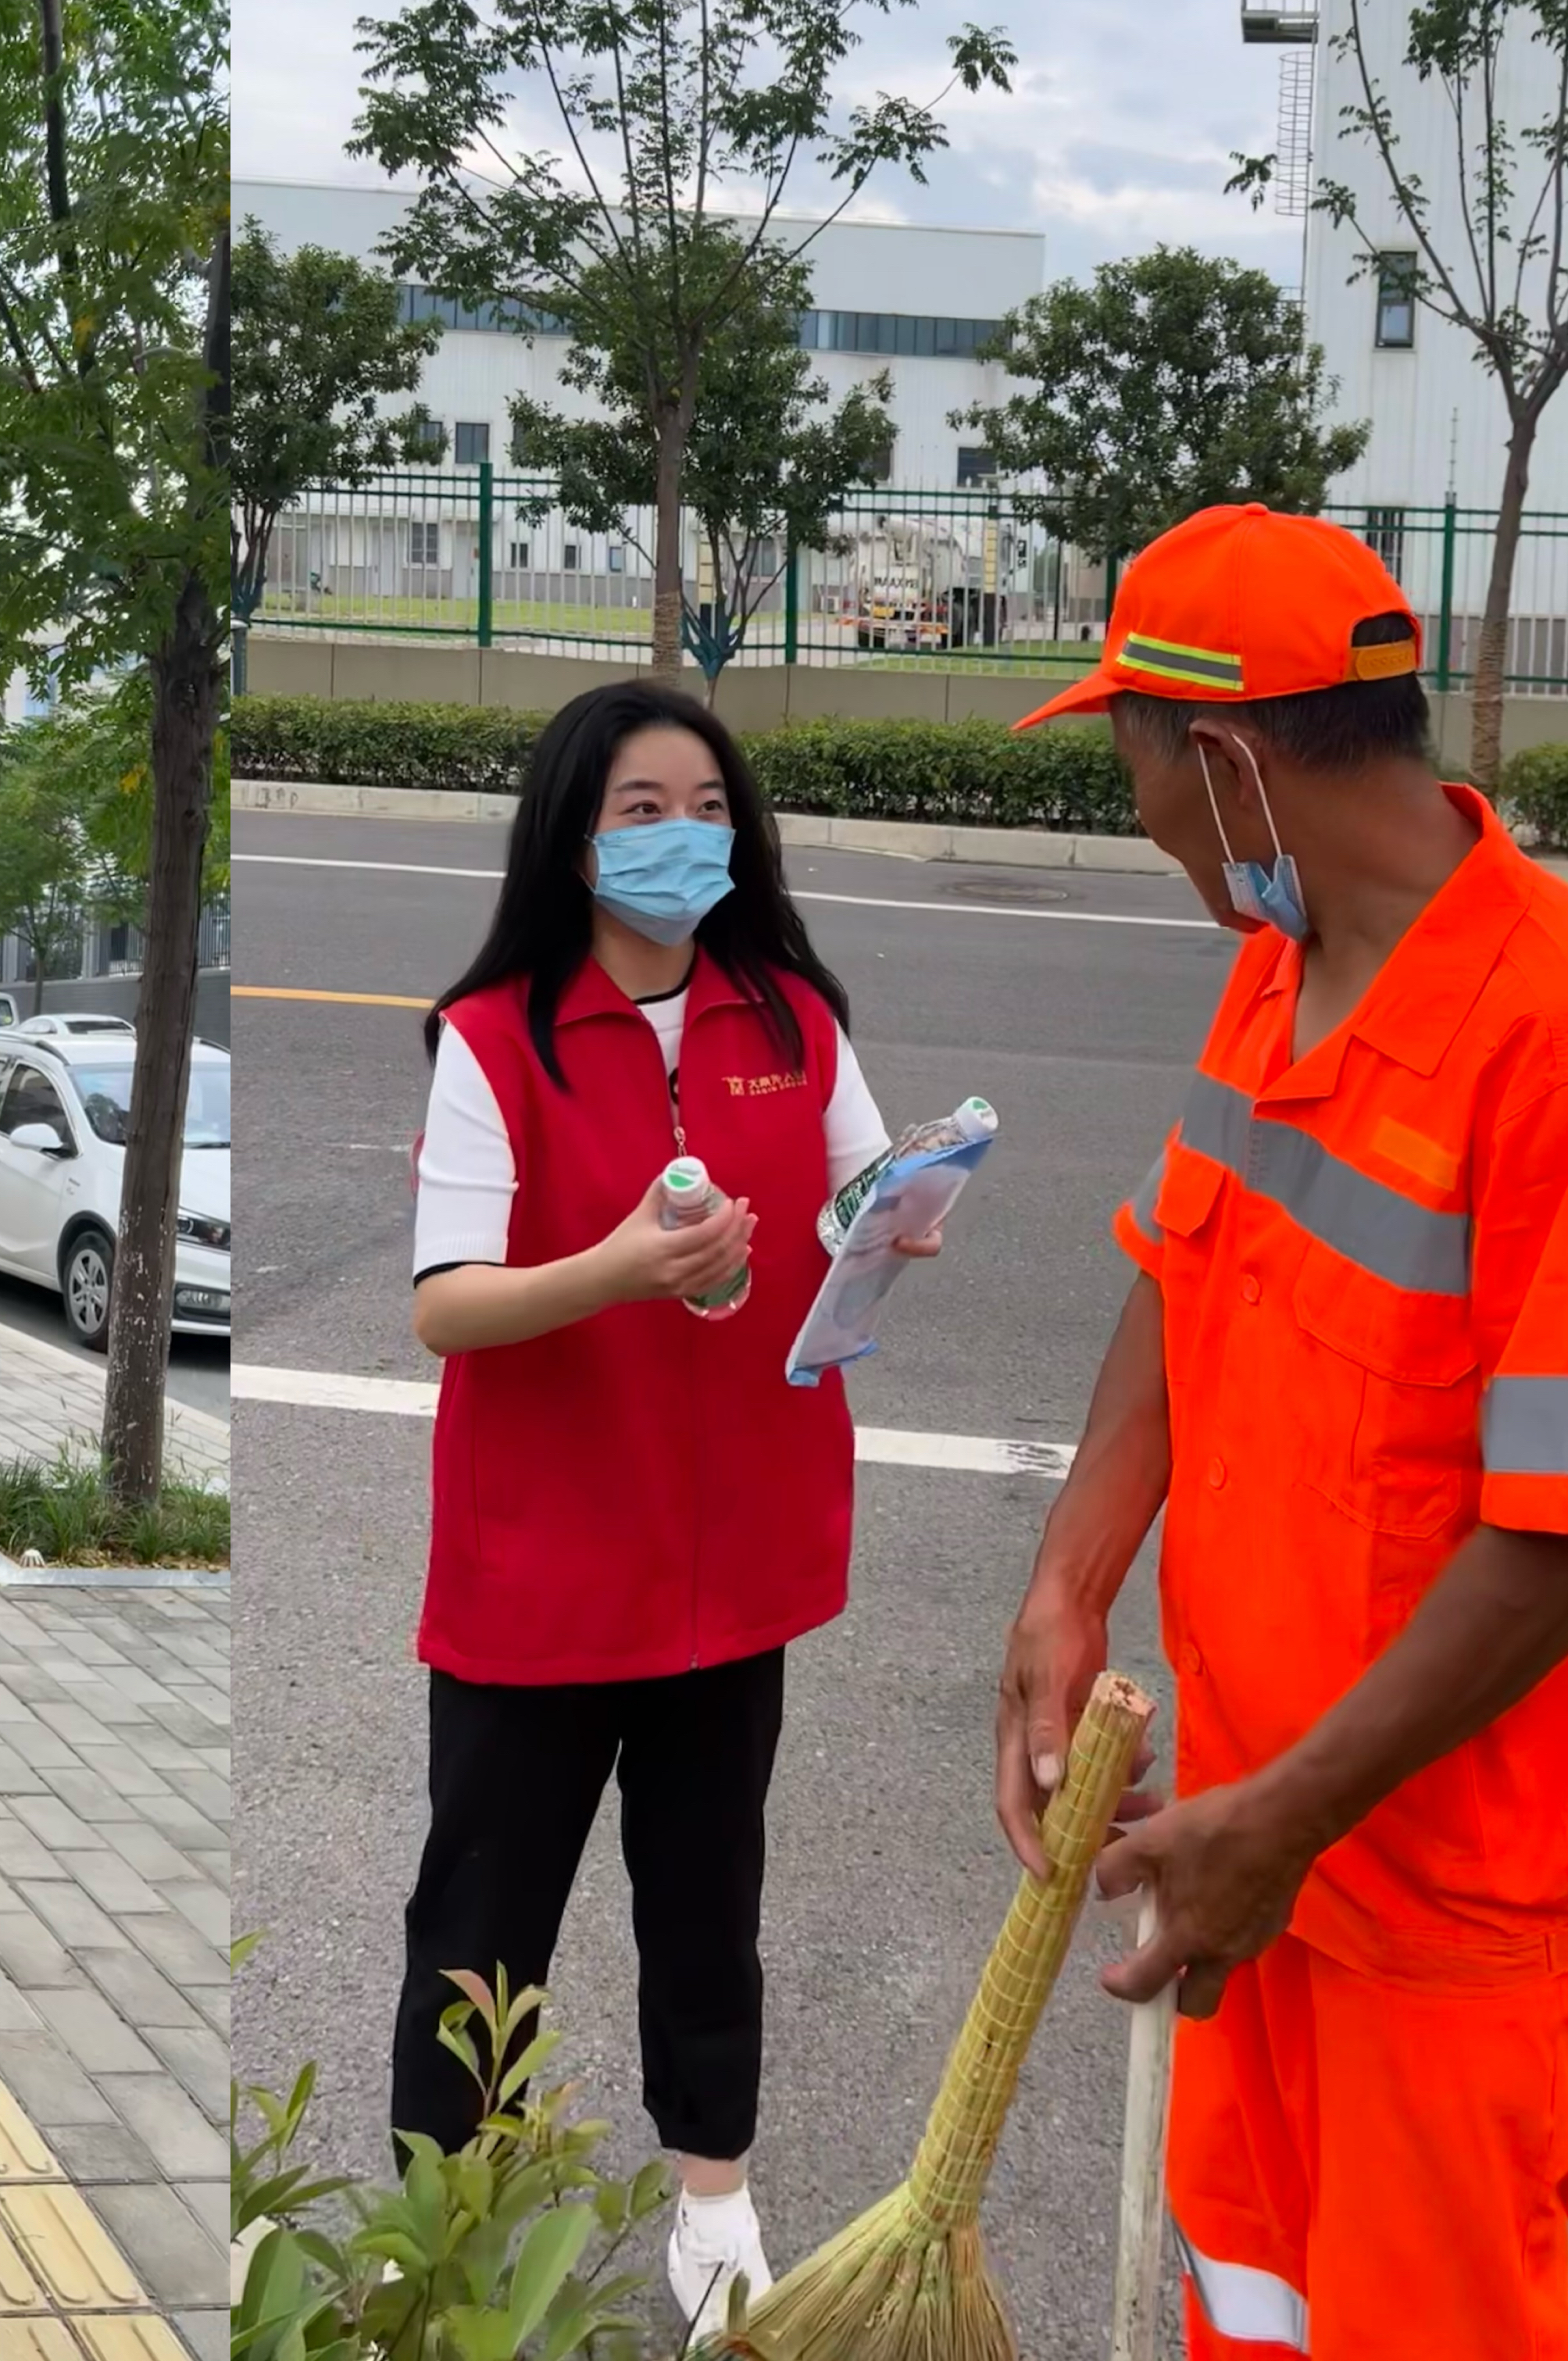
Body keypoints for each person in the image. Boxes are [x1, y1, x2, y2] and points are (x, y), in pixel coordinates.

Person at [994, 505, 1568, 2359]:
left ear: (1230, 760)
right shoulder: (1282, 958)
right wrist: (1069, 1575)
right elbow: (1181, 1262)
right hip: (1257, 1847)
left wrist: (1293, 1821)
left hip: (1441, 1920)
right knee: (1250, 2302)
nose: (1139, 810)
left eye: (1134, 762)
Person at [400, 680, 938, 2333]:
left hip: (731, 1562)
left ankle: (714, 2197)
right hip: (544, 1573)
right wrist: (618, 1269)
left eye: (704, 802)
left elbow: (861, 1190)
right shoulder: (493, 1034)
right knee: (485, 1922)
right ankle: (449, 2225)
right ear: (572, 837)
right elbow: (445, 1300)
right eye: (639, 807)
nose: (679, 833)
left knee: (709, 1896)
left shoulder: (789, 1016)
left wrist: (903, 1214)